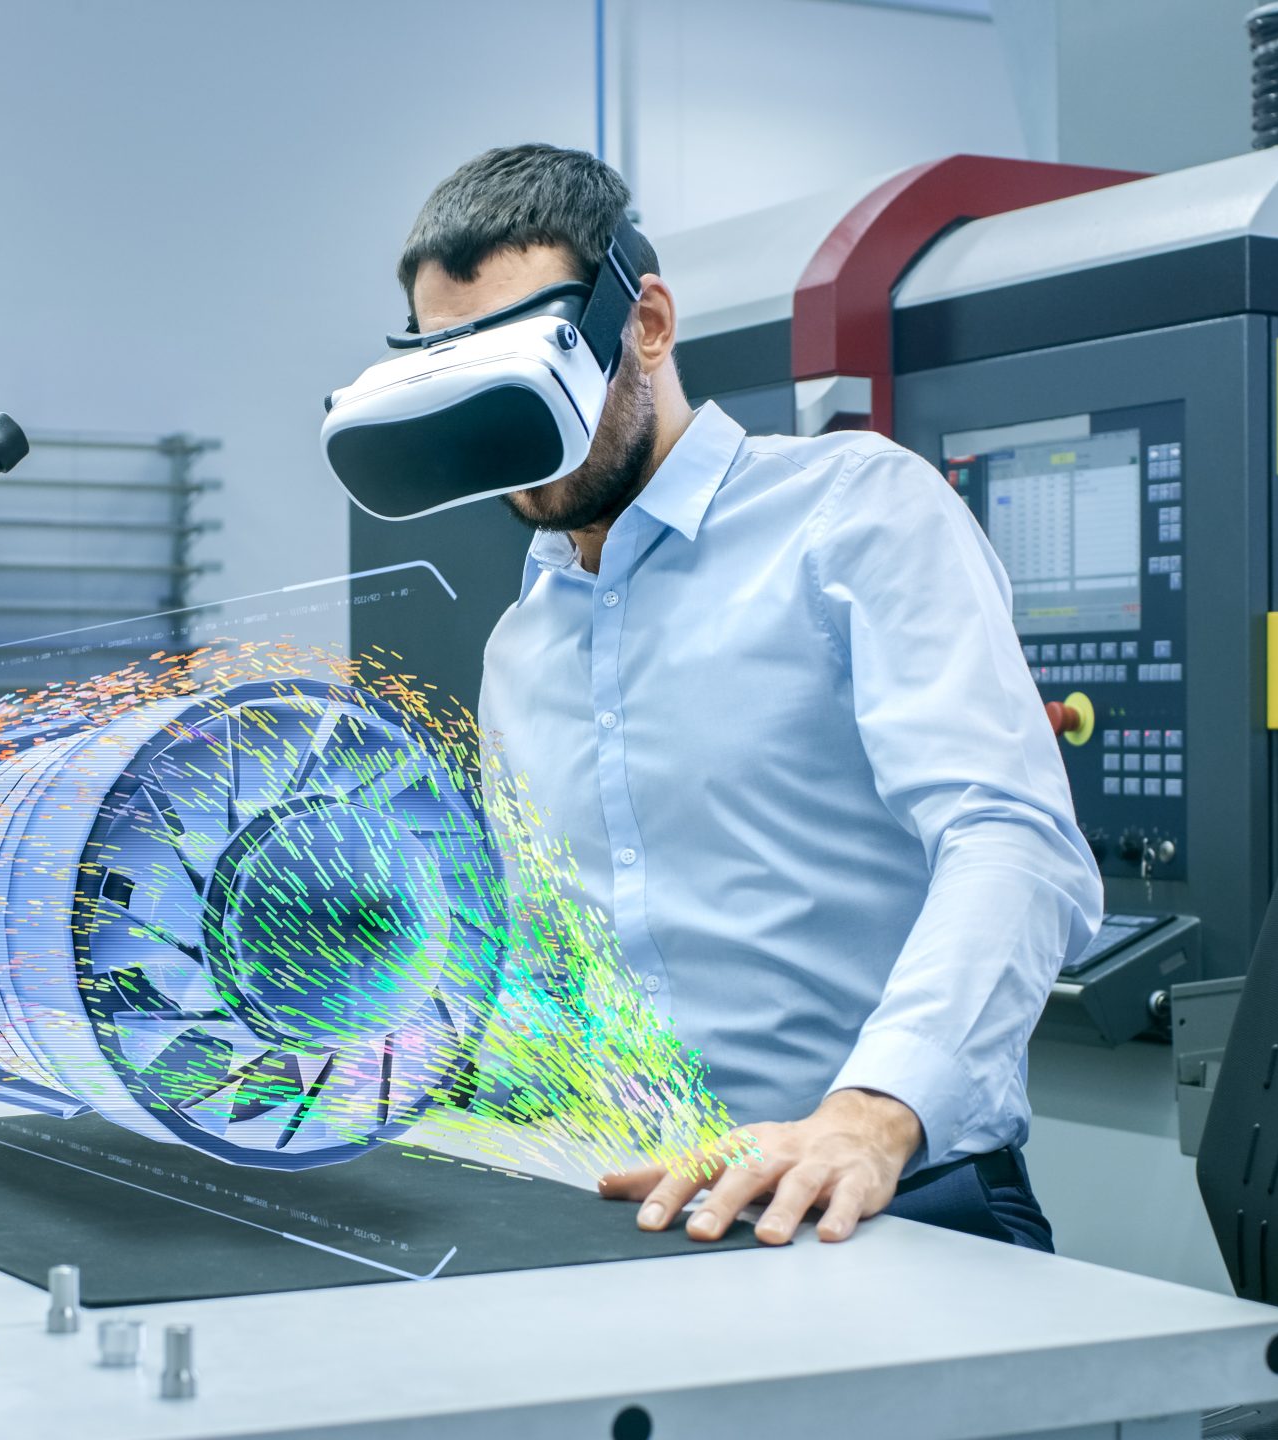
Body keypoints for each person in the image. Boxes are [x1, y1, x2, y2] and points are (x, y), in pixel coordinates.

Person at [394, 145, 1100, 1250]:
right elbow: (541, 955)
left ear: (648, 324)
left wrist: (870, 1117)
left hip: (877, 1202)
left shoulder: (854, 516)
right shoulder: (523, 638)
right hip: (634, 1204)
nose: (510, 432)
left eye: (529, 369)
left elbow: (1007, 838)